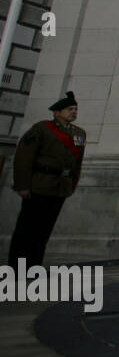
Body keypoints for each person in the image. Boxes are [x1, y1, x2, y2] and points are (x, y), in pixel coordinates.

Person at [7, 92, 86, 266]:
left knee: (44, 230)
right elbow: (24, 157)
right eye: (69, 109)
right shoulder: (42, 129)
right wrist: (23, 185)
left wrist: (72, 184)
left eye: (75, 109)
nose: (73, 112)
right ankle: (17, 266)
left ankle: (34, 265)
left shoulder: (79, 133)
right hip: (40, 184)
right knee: (27, 229)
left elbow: (77, 162)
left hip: (60, 187)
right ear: (57, 112)